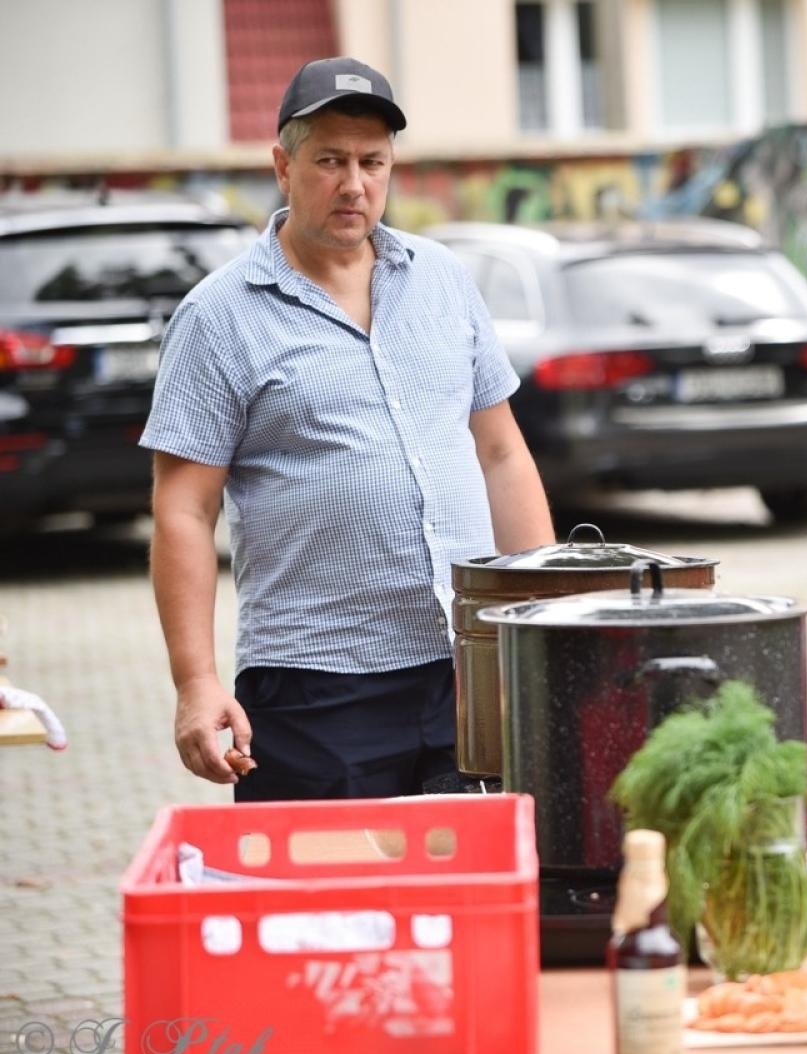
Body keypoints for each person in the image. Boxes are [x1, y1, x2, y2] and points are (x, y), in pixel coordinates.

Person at [142, 57, 555, 802]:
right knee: (325, 911)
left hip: (470, 672)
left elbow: (499, 453)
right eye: (329, 160)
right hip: (315, 690)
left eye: (372, 162)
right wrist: (196, 684)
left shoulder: (443, 280)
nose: (354, 183)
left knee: (470, 905)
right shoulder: (219, 315)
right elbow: (184, 509)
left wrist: (549, 628)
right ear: (283, 166)